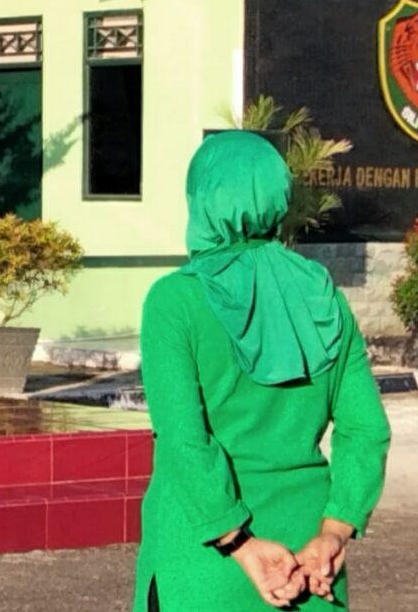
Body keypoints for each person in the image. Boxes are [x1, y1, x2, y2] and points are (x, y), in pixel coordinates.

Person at [133, 131, 391, 611]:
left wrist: (239, 543)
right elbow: (365, 429)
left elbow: (184, 442)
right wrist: (335, 530)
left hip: (204, 567)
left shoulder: (174, 302)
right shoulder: (323, 298)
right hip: (311, 566)